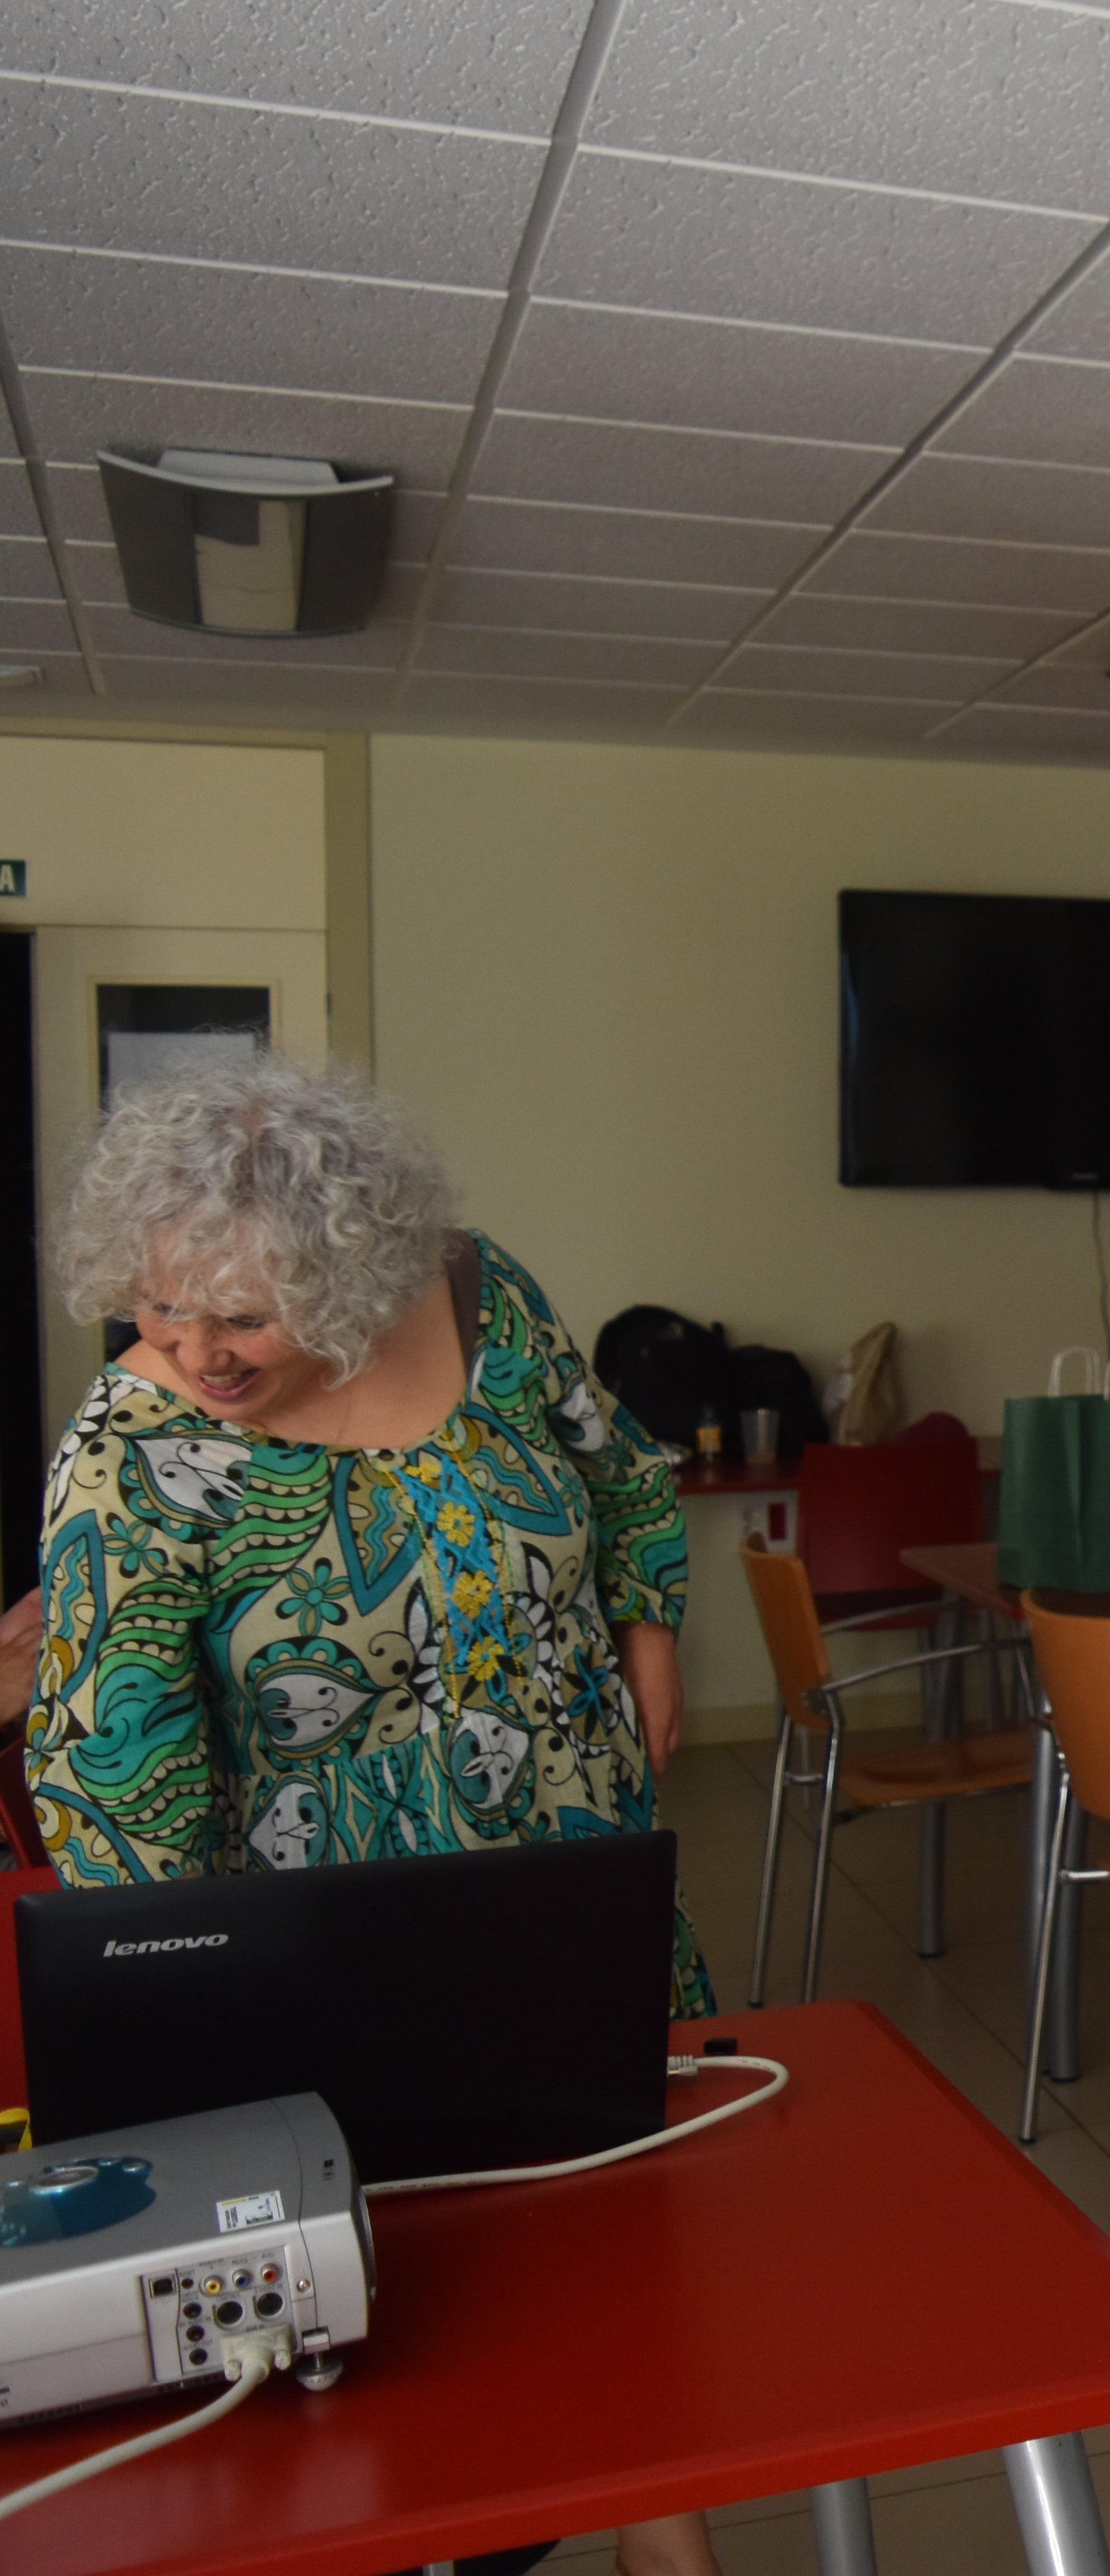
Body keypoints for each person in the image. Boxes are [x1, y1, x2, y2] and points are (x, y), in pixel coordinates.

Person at [28, 1052, 722, 2576]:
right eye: (161, 1304)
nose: (196, 1347)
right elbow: (112, 1763)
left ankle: (667, 2532)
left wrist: (649, 1638)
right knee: (424, 2331)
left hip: (575, 1881)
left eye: (247, 1316)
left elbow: (620, 1479)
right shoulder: (133, 1454)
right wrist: (190, 2011)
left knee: (623, 2242)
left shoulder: (479, 1295)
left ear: (351, 1270)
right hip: (337, 1955)